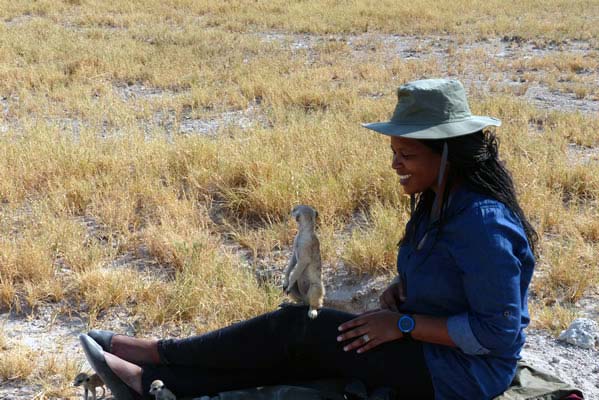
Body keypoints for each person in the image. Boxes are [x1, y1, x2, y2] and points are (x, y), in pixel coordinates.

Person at [79, 78, 537, 400]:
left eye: (407, 154)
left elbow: (497, 334)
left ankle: (161, 352)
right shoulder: (437, 202)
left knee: (296, 327)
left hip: (463, 374)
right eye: (394, 153)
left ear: (447, 156)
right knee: (300, 349)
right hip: (430, 347)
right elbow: (447, 283)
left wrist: (402, 325)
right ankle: (157, 382)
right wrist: (402, 296)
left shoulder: (482, 224)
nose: (395, 164)